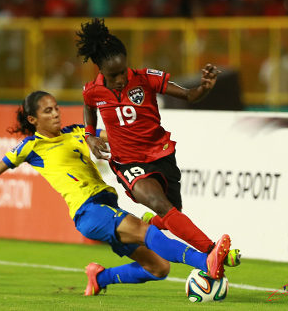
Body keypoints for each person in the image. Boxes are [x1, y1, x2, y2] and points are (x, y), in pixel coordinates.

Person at [0, 91, 231, 296]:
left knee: (158, 268)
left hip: (107, 205)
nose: (56, 114)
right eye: (48, 111)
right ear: (33, 120)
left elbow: (114, 137)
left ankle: (99, 278)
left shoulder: (77, 132)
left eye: (57, 108)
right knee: (143, 230)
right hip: (89, 211)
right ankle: (205, 262)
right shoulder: (31, 147)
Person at [76, 18, 236, 260]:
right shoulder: (92, 90)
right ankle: (212, 251)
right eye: (114, 75)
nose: (121, 78)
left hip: (160, 154)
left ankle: (153, 223)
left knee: (173, 213)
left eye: (123, 71)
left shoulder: (145, 78)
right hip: (127, 162)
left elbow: (189, 95)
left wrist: (204, 87)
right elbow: (89, 106)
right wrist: (89, 135)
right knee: (161, 204)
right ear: (101, 70)